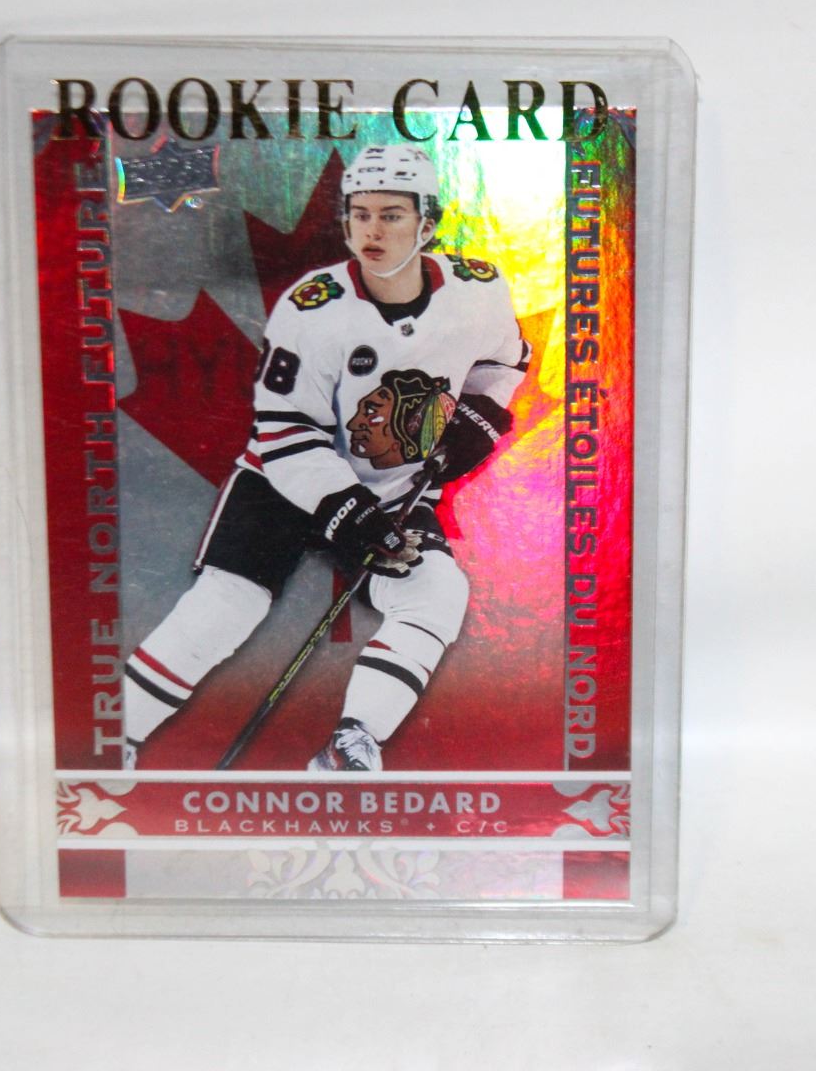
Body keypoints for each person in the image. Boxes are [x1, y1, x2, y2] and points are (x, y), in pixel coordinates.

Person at [122, 145, 531, 771]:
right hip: (285, 484)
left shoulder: (477, 289)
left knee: (437, 592)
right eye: (360, 214)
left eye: (392, 215)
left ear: (428, 223)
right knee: (229, 603)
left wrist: (481, 414)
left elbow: (505, 360)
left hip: (394, 488)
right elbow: (285, 429)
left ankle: (352, 742)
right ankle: (118, 737)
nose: (372, 231)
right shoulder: (311, 308)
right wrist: (344, 508)